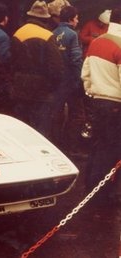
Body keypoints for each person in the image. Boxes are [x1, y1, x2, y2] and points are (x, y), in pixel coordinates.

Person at [80, 7, 121, 204]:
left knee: (98, 146)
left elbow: (85, 74)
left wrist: (92, 92)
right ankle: (106, 194)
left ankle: (91, 187)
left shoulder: (96, 42)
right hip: (116, 105)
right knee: (113, 149)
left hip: (97, 101)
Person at [10, 0, 64, 139]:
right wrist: (52, 87)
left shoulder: (18, 33)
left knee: (22, 128)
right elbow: (56, 68)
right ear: (45, 19)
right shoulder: (47, 35)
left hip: (20, 88)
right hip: (41, 91)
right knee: (41, 132)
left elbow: (11, 63)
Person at [52, 5, 83, 148]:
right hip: (71, 81)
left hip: (56, 82)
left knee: (56, 114)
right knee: (77, 115)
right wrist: (79, 81)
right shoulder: (73, 34)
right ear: (71, 19)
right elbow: (76, 60)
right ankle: (71, 146)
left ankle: (55, 143)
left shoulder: (52, 33)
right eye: (76, 18)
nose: (77, 21)